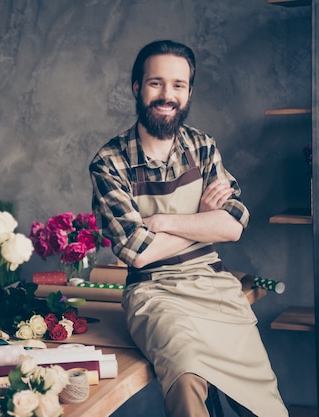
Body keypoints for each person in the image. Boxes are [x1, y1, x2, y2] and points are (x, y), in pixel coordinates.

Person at [89, 40, 288, 417]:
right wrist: (203, 221)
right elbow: (137, 251)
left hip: (214, 287)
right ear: (137, 87)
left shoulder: (203, 146)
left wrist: (164, 222)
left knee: (262, 403)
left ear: (189, 92)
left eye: (178, 85)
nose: (167, 95)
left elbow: (232, 226)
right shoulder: (109, 163)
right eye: (156, 83)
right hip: (154, 294)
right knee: (185, 377)